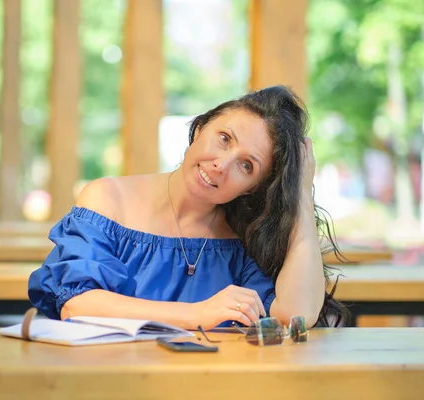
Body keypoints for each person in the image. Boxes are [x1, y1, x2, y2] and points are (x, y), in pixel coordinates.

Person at [28, 85, 349, 330]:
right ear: (199, 129)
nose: (222, 164)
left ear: (253, 187)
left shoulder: (244, 238)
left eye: (247, 166)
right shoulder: (106, 198)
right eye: (224, 138)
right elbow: (76, 304)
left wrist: (302, 197)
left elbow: (295, 316)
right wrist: (197, 313)